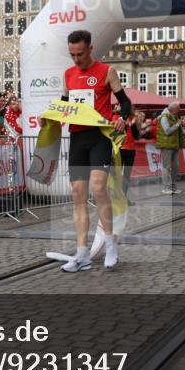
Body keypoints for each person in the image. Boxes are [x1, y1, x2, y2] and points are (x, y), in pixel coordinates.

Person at [60, 29, 130, 273]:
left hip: (100, 136)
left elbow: (126, 103)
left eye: (80, 54)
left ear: (90, 48)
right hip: (78, 138)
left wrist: (121, 117)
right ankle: (82, 254)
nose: (76, 59)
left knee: (98, 188)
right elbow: (64, 106)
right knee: (77, 195)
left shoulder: (106, 71)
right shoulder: (68, 74)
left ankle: (110, 243)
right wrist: (50, 118)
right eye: (72, 55)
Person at [155, 101, 184, 195]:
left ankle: (173, 186)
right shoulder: (164, 117)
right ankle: (166, 187)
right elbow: (167, 131)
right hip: (166, 145)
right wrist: (177, 125)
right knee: (166, 166)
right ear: (174, 109)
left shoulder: (174, 117)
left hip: (174, 145)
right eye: (178, 109)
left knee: (175, 166)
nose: (179, 110)